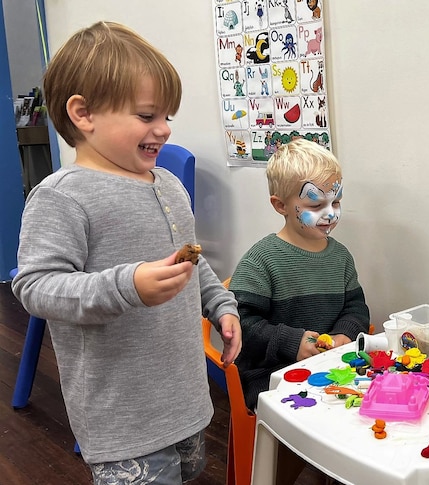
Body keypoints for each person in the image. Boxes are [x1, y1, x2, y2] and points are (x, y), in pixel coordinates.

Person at [11, 21, 242, 485]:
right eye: (146, 116)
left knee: (191, 471)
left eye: (167, 116)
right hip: (122, 418)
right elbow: (35, 287)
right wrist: (125, 285)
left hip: (186, 398)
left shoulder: (171, 186)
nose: (164, 129)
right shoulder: (62, 197)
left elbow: (190, 265)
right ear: (83, 113)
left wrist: (221, 306)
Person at [231, 138, 370, 410]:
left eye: (336, 201)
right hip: (272, 377)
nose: (330, 214)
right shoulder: (261, 261)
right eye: (316, 206)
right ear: (281, 205)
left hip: (332, 368)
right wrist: (292, 343)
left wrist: (345, 333)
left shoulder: (340, 256)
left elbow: (356, 308)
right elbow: (240, 325)